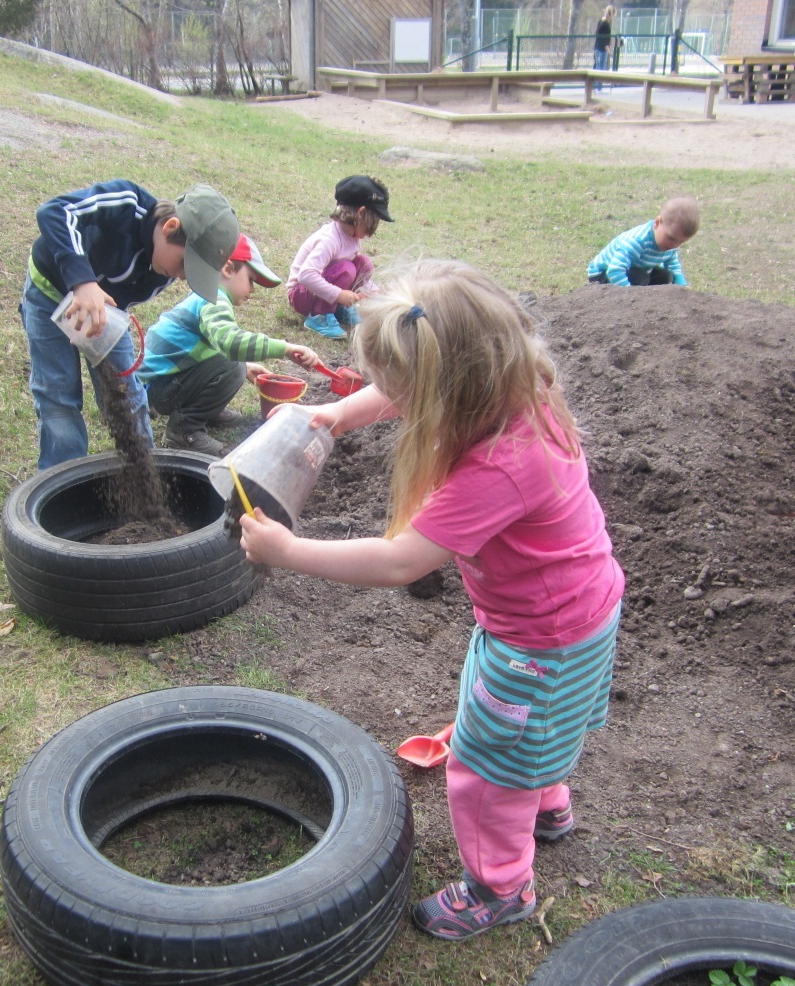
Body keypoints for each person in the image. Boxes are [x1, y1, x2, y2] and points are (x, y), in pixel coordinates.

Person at [240, 259, 625, 940]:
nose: (392, 400)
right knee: (537, 731)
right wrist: (335, 413)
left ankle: (502, 885)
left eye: (402, 390)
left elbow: (401, 559)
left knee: (482, 769)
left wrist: (288, 550)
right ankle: (547, 803)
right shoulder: (516, 387)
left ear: (448, 387)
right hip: (577, 617)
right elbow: (411, 391)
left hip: (537, 645)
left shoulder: (501, 466)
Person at [20, 179, 237, 469]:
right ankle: (60, 480)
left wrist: (90, 325)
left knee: (126, 394)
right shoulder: (126, 204)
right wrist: (82, 282)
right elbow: (55, 212)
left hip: (105, 312)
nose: (184, 277)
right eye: (186, 266)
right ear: (170, 228)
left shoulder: (164, 269)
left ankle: (145, 476)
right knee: (58, 395)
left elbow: (118, 299)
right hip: (49, 293)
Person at [140, 234, 322, 455]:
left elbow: (208, 346)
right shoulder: (213, 300)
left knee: (236, 364)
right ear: (227, 269)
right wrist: (284, 348)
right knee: (233, 364)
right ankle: (183, 431)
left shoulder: (206, 295)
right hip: (157, 389)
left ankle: (205, 411)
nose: (253, 290)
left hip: (163, 383)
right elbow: (231, 343)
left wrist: (245, 366)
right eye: (251, 280)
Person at [287, 175, 393, 341]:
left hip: (322, 289)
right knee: (346, 269)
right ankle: (318, 316)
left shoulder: (352, 237)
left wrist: (376, 291)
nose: (374, 230)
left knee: (363, 263)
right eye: (375, 221)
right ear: (361, 214)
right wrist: (338, 294)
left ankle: (336, 308)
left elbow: (358, 275)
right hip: (300, 294)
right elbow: (305, 275)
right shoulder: (329, 240)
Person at [587, 197, 699, 287]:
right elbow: (614, 270)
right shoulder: (637, 241)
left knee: (665, 276)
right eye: (671, 238)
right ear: (657, 223)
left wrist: (681, 287)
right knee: (640, 277)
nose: (674, 245)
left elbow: (673, 265)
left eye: (681, 242)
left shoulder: (671, 245)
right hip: (602, 274)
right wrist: (630, 297)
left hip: (634, 270)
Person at [593, 5, 615, 71]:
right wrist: (609, 51)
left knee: (597, 67)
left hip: (596, 48)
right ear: (612, 15)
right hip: (602, 50)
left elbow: (597, 34)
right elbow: (604, 40)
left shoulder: (600, 21)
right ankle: (598, 81)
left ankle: (595, 81)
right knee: (601, 70)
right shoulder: (607, 25)